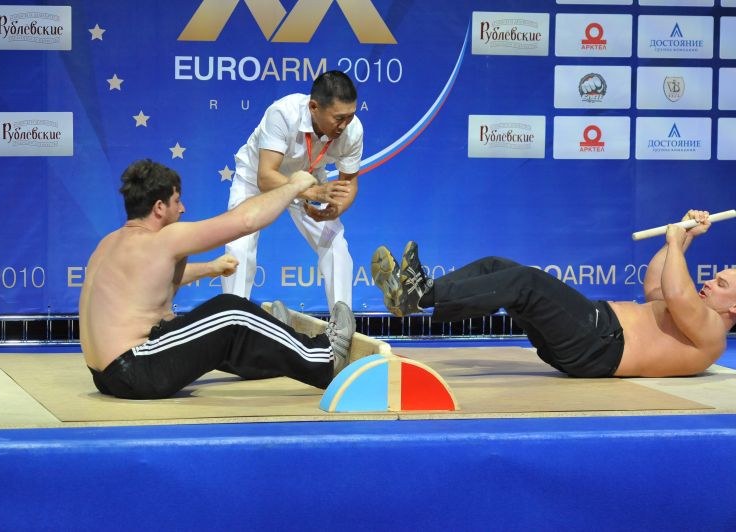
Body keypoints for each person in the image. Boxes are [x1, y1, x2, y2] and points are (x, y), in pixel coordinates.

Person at [79, 159, 355, 400]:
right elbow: (246, 221)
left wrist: (210, 268)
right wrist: (294, 185)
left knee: (210, 331)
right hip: (135, 370)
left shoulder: (109, 244)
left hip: (105, 376)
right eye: (177, 201)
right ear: (160, 207)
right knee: (230, 312)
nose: (183, 208)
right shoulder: (163, 239)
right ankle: (324, 358)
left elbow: (149, 285)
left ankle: (272, 347)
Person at [371, 210, 736, 378]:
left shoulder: (712, 333)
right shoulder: (691, 317)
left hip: (599, 345)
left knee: (527, 282)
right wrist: (686, 237)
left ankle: (420, 295)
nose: (709, 282)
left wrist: (675, 239)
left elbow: (674, 289)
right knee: (498, 267)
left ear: (734, 308)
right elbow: (656, 284)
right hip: (592, 337)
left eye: (720, 284)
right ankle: (419, 294)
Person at [222, 70, 363, 311]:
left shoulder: (352, 131)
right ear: (314, 107)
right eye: (338, 118)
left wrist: (335, 209)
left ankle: (342, 325)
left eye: (350, 116)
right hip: (256, 180)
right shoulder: (283, 113)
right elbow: (266, 177)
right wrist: (312, 193)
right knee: (239, 246)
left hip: (309, 180)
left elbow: (348, 183)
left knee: (334, 241)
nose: (344, 125)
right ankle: (234, 321)